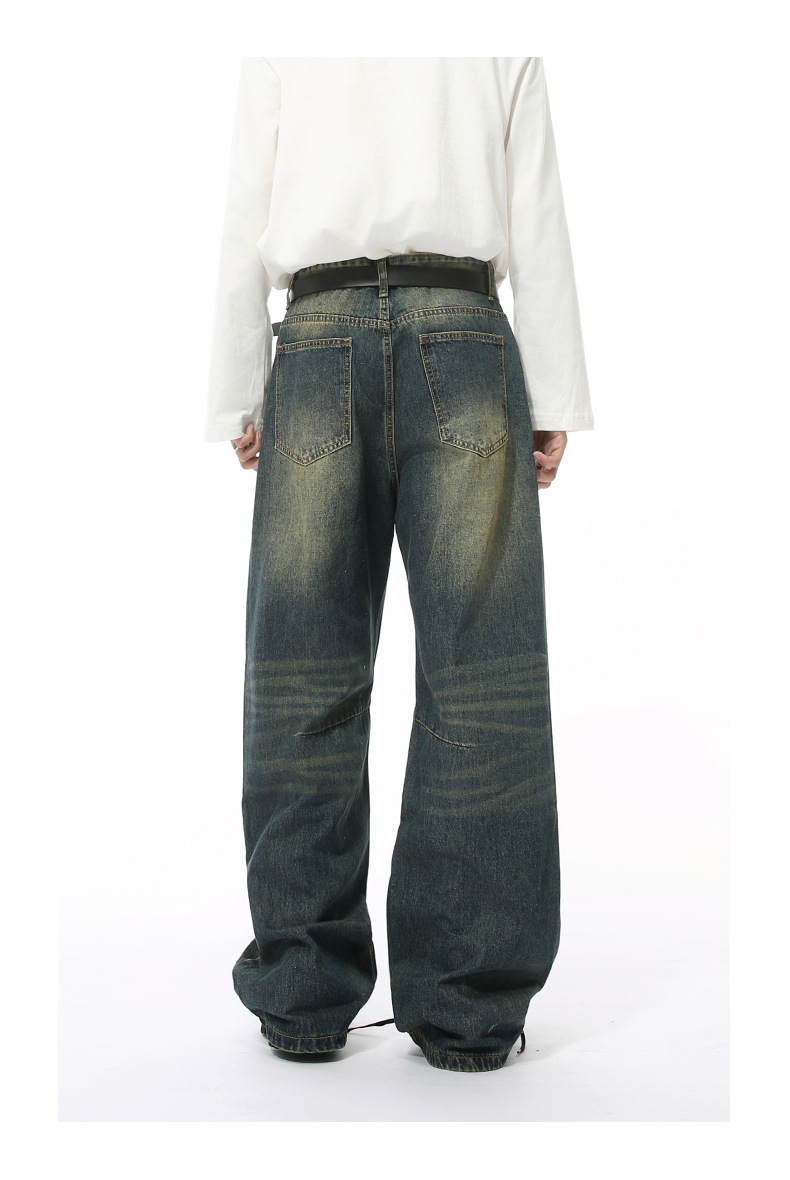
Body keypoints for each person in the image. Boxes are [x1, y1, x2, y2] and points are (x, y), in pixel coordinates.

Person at [205, 56, 594, 1074]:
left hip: (315, 342)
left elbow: (248, 199)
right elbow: (534, 204)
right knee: (483, 680)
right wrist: (553, 392)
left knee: (302, 678)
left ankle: (302, 992)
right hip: (462, 337)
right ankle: (468, 1006)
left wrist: (239, 388)